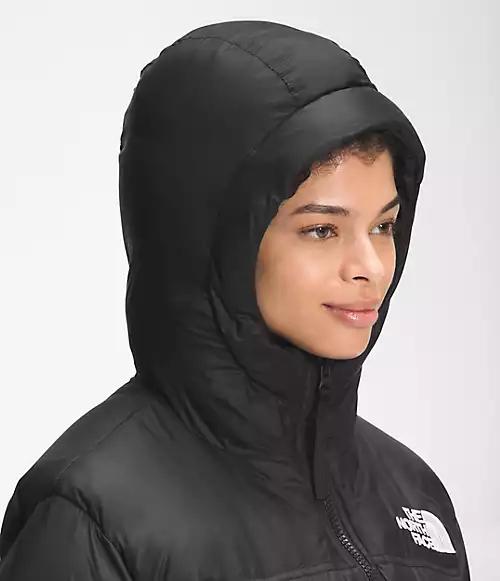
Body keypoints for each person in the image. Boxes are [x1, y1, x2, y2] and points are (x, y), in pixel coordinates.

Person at [0, 19, 470, 580]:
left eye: (383, 226)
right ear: (211, 241)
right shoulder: (92, 519)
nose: (371, 267)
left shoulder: (413, 493)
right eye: (322, 230)